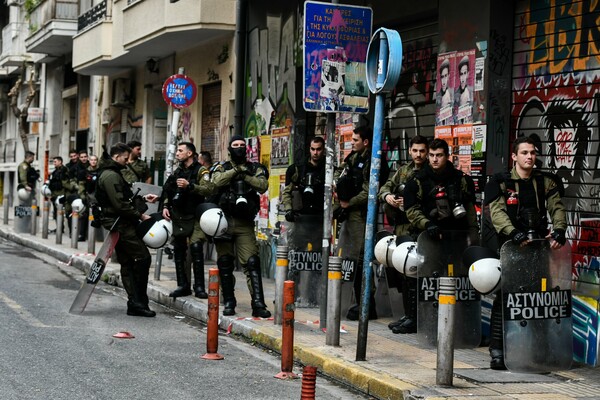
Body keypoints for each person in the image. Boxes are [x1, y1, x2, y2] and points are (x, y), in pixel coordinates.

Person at [483, 136, 567, 370]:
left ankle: (539, 350)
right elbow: (497, 213)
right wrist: (512, 233)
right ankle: (498, 350)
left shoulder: (545, 182)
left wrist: (560, 230)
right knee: (506, 297)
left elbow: (557, 207)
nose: (530, 156)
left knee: (540, 297)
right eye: (524, 153)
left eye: (532, 152)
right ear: (514, 156)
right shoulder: (501, 183)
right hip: (511, 247)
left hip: (539, 247)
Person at [211, 135, 271, 318]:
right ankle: (229, 301)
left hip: (244, 222)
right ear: (229, 149)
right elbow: (215, 182)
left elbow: (262, 185)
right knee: (225, 263)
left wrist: (244, 174)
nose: (239, 148)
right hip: (224, 222)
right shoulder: (222, 167)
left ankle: (258, 303)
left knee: (252, 262)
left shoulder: (255, 168)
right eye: (235, 145)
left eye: (242, 145)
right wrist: (235, 170)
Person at [95, 143, 155, 317]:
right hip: (120, 223)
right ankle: (138, 301)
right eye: (125, 158)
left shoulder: (113, 173)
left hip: (120, 221)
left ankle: (135, 302)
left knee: (128, 262)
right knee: (142, 258)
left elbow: (124, 196)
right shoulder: (110, 175)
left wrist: (143, 198)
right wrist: (141, 216)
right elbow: (120, 204)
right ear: (116, 156)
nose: (127, 161)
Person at [378, 135, 428, 334]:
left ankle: (416, 318)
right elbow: (385, 188)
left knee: (417, 274)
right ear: (410, 151)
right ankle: (408, 315)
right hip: (402, 228)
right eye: (415, 150)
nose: (419, 154)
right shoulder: (403, 171)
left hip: (420, 228)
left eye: (422, 151)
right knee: (404, 275)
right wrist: (388, 197)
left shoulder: (428, 173)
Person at [334, 126, 379, 321]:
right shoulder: (353, 158)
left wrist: (349, 202)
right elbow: (341, 175)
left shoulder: (372, 160)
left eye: (355, 139)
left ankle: (368, 305)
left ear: (366, 141)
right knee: (352, 260)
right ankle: (360, 302)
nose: (352, 142)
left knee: (362, 260)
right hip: (351, 214)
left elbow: (371, 190)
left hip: (362, 215)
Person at [162, 142, 215, 299]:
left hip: (197, 215)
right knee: (178, 249)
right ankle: (183, 285)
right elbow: (167, 190)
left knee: (196, 247)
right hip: (179, 215)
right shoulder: (178, 171)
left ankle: (199, 287)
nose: (177, 153)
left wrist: (190, 186)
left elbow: (209, 189)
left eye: (180, 150)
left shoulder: (201, 170)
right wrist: (165, 205)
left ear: (190, 153)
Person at [282, 136, 326, 221]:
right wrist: (288, 210)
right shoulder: (297, 169)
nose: (315, 152)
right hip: (301, 216)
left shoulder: (329, 169)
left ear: (323, 149)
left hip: (322, 216)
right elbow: (286, 192)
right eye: (313, 149)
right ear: (309, 149)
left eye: (318, 149)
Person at [47, 156, 77, 232]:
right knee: (56, 213)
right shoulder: (55, 171)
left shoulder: (64, 170)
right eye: (53, 162)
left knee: (63, 212)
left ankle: (65, 229)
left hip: (62, 194)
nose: (54, 163)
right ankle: (60, 228)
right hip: (55, 194)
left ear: (60, 162)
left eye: (55, 161)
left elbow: (66, 183)